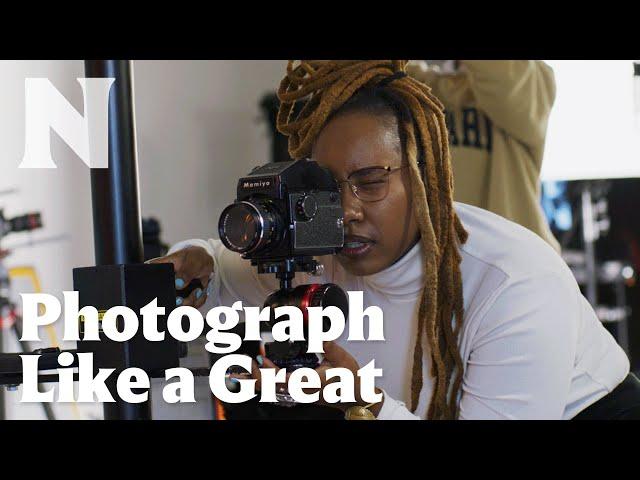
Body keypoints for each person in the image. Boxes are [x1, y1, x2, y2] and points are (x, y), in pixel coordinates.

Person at [151, 60, 639, 420]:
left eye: (371, 181)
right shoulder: (318, 252)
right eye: (326, 188)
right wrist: (195, 260)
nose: (346, 210)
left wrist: (363, 401)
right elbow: (217, 271)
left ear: (424, 179)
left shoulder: (510, 280)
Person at [407, 60, 560, 251]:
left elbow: (503, 80)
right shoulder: (419, 83)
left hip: (515, 262)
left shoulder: (530, 79)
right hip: (442, 262)